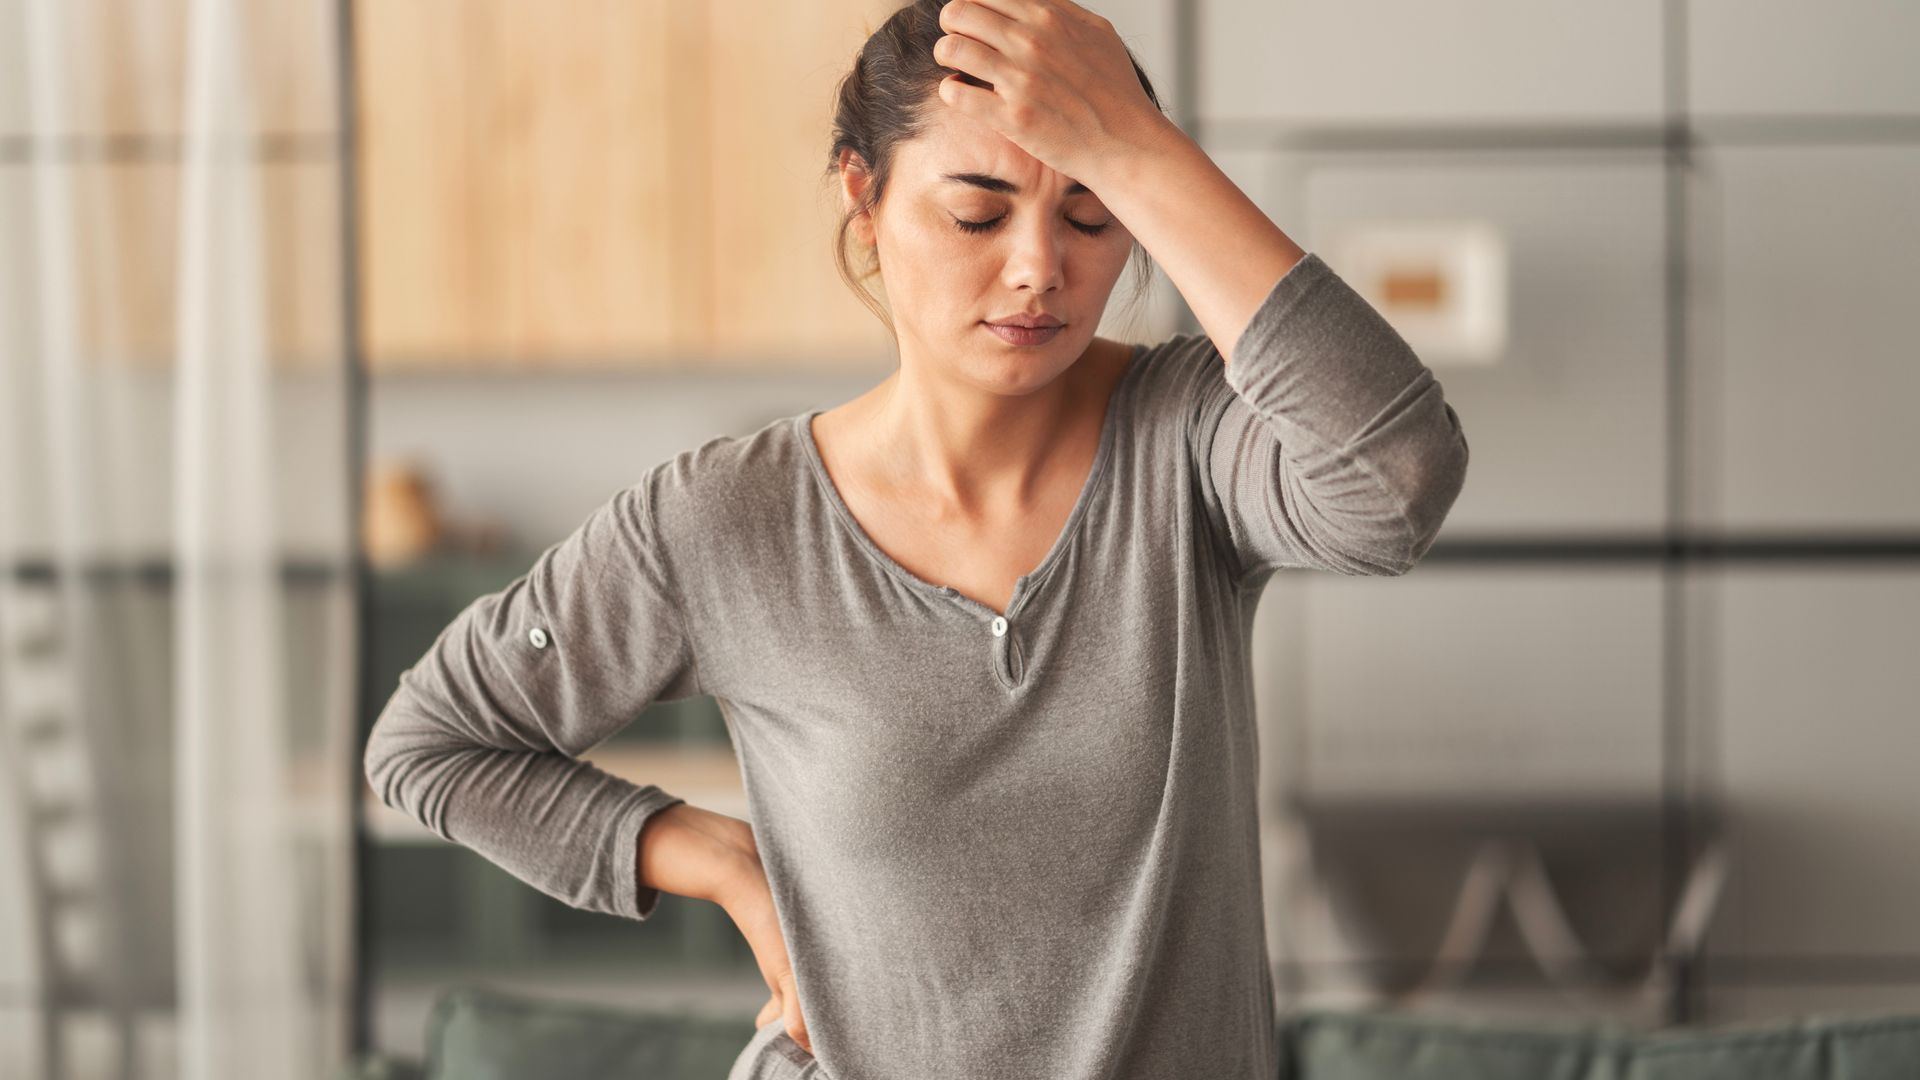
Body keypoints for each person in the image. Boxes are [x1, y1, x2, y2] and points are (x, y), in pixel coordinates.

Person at [363, 1, 1471, 1078]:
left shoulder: (1192, 442)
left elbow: (1395, 484)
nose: (1040, 266)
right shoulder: (726, 521)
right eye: (979, 213)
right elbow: (428, 744)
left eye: (1090, 215)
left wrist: (1143, 152)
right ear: (865, 193)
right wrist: (721, 861)